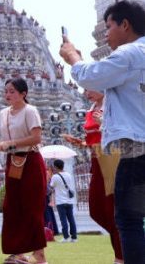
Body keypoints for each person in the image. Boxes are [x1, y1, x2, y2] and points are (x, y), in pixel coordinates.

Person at [60, 0, 145, 263]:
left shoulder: (129, 54)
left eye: (109, 26)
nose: (106, 33)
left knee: (128, 218)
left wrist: (72, 56)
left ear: (125, 25)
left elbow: (90, 76)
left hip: (135, 150)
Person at [63, 90, 122, 261]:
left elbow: (123, 131)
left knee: (112, 211)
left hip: (112, 159)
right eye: (85, 88)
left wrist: (103, 122)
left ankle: (121, 256)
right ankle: (124, 251)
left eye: (90, 87)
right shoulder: (92, 108)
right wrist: (80, 143)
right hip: (97, 160)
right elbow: (95, 140)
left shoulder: (113, 104)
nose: (86, 92)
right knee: (97, 210)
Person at [0, 78, 47, 264]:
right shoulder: (3, 113)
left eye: (12, 91)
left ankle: (39, 255)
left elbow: (36, 138)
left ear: (23, 94)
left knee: (32, 207)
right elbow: (4, 138)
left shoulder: (30, 110)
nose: (7, 95)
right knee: (12, 207)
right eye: (6, 91)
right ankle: (17, 252)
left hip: (30, 161)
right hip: (12, 161)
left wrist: (10, 143)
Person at [49, 159, 78, 243]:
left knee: (63, 220)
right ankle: (74, 237)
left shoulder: (55, 176)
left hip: (60, 201)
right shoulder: (68, 175)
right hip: (69, 201)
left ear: (56, 167)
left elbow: (51, 187)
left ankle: (66, 237)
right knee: (71, 219)